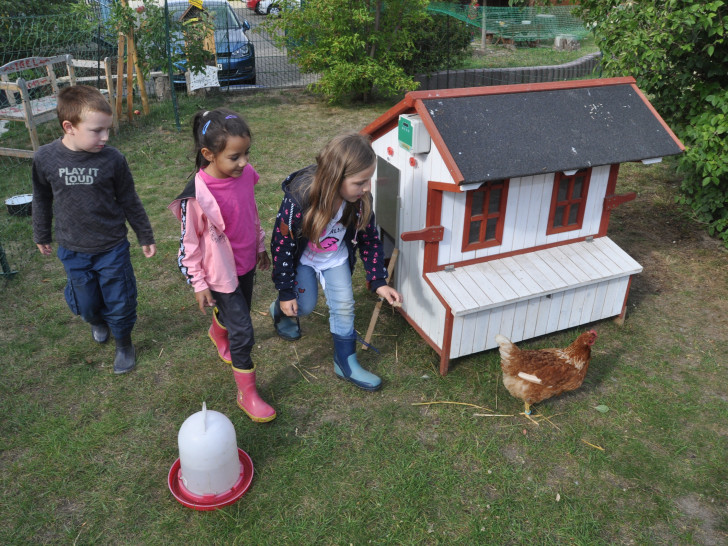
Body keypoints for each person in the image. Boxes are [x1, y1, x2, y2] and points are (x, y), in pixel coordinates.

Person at [32, 85, 156, 375]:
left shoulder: (112, 159)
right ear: (69, 127)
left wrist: (144, 235)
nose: (105, 137)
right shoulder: (45, 159)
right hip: (73, 248)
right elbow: (41, 198)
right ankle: (96, 320)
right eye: (97, 130)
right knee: (87, 304)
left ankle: (124, 342)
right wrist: (41, 234)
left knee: (120, 299)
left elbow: (129, 199)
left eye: (107, 130)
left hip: (112, 246)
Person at [270, 132, 402, 391]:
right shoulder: (299, 198)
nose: (366, 188)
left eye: (369, 180)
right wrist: (286, 293)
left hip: (335, 258)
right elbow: (282, 244)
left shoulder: (361, 201)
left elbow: (370, 239)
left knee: (344, 306)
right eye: (359, 182)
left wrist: (378, 281)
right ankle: (279, 310)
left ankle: (344, 361)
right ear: (334, 178)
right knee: (303, 307)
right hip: (304, 259)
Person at [168, 108, 275, 423]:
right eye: (234, 157)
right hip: (219, 273)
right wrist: (199, 285)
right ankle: (248, 393)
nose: (244, 163)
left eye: (246, 154)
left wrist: (259, 246)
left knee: (236, 313)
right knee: (244, 330)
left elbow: (250, 212)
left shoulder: (244, 175)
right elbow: (188, 245)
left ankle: (218, 330)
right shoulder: (197, 196)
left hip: (246, 265)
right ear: (208, 154)